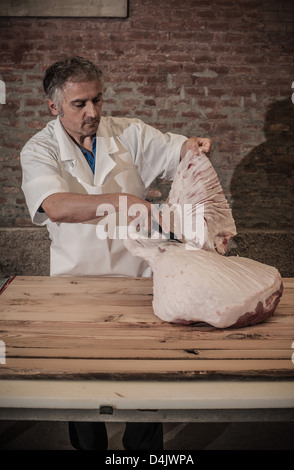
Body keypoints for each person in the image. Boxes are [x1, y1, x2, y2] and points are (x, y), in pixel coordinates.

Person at [20, 56, 212, 450]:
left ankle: (142, 454)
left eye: (98, 100)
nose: (93, 112)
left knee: (145, 387)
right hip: (75, 288)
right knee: (82, 392)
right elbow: (54, 206)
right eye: (80, 104)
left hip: (137, 282)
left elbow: (180, 152)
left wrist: (194, 148)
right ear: (54, 106)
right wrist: (124, 202)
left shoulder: (131, 134)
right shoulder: (39, 149)